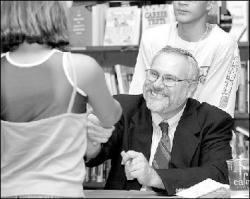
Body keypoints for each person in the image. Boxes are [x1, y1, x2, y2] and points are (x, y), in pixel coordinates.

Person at [1, 1, 122, 198]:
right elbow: (110, 117)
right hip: (62, 193)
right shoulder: (82, 68)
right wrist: (89, 115)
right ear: (55, 16)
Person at [86, 45, 233, 196]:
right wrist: (91, 142)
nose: (156, 85)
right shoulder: (123, 108)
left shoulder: (212, 120)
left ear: (190, 88)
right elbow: (96, 155)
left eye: (169, 79)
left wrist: (154, 177)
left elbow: (219, 174)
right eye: (154, 74)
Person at [129, 1, 241, 117]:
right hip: (152, 126)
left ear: (210, 4)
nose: (182, 2)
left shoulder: (223, 44)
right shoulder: (152, 38)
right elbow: (138, 97)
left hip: (201, 130)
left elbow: (217, 109)